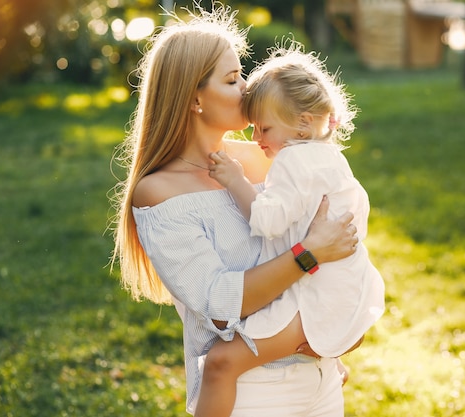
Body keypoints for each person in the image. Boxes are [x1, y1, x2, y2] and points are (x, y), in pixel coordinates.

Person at [110, 4, 361, 416]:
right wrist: (308, 255)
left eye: (241, 74)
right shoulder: (158, 194)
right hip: (254, 392)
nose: (246, 88)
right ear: (194, 97)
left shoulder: (273, 158)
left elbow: (343, 233)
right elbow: (221, 306)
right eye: (232, 79)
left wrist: (341, 328)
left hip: (321, 379)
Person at [194, 44, 386, 417]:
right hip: (344, 286)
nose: (256, 139)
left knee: (221, 363)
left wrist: (236, 180)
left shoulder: (293, 160)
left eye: (264, 128)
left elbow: (267, 219)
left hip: (316, 293)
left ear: (302, 123)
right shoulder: (328, 157)